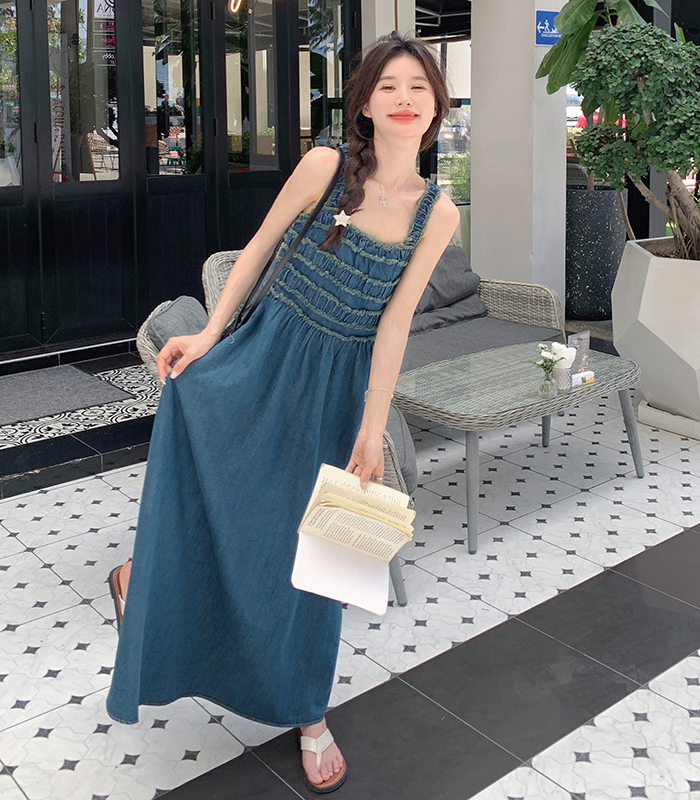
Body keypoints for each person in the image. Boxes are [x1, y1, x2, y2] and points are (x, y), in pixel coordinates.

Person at [106, 32, 458, 794]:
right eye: (388, 86)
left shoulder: (439, 212)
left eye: (418, 87)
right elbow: (259, 247)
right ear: (365, 103)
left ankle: (307, 712)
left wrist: (372, 426)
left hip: (336, 392)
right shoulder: (326, 166)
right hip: (264, 358)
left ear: (437, 106)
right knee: (227, 500)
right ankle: (147, 574)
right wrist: (208, 335)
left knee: (317, 559)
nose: (404, 98)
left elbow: (395, 322)